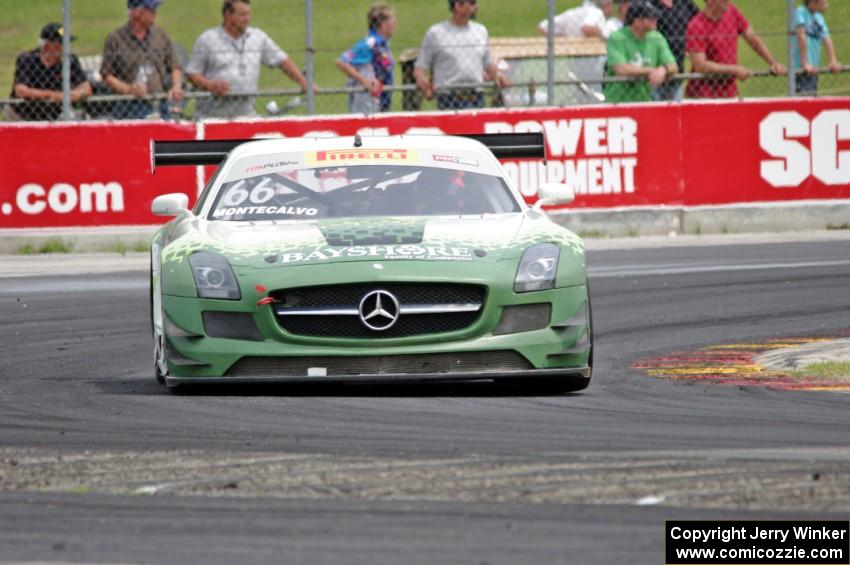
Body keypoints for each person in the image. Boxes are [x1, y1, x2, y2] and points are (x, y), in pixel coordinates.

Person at [186, 0, 314, 118]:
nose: (248, 19)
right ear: (227, 15)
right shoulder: (208, 39)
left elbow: (282, 60)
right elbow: (192, 73)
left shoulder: (257, 37)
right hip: (212, 115)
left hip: (246, 114)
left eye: (248, 14)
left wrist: (303, 82)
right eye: (242, 15)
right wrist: (210, 85)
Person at [413, 0, 508, 110]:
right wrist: (422, 82)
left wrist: (498, 75)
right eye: (472, 3)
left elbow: (488, 63)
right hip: (448, 98)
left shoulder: (481, 31)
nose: (477, 7)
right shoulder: (436, 33)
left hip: (477, 97)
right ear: (458, 5)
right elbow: (420, 67)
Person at [685, 0, 785, 99]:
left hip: (729, 92)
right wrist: (733, 70)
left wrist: (773, 63)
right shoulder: (696, 25)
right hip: (704, 94)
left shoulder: (732, 12)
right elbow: (701, 66)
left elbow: (752, 38)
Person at [101, 0, 184, 119]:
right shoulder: (116, 39)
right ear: (136, 12)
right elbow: (106, 75)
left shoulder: (160, 35)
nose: (155, 13)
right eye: (151, 10)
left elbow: (175, 66)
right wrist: (129, 89)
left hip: (159, 103)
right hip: (129, 106)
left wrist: (176, 86)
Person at [6, 22, 92, 121]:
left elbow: (86, 88)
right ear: (47, 45)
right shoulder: (27, 59)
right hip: (21, 115)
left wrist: (71, 95)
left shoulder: (70, 60)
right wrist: (53, 95)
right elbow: (21, 91)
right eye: (61, 43)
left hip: (53, 117)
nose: (66, 47)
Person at [604, 1, 677, 103]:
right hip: (617, 102)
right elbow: (621, 69)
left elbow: (673, 66)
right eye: (651, 18)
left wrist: (663, 69)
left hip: (644, 101)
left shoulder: (656, 37)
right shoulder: (617, 38)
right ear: (637, 21)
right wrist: (652, 71)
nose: (656, 20)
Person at [335, 4, 396, 115]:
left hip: (381, 101)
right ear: (383, 25)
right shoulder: (369, 43)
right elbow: (341, 61)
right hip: (367, 105)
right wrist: (365, 82)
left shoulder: (383, 44)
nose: (395, 24)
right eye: (392, 21)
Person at [649, 0, 698, 100]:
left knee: (674, 112)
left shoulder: (684, 3)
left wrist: (691, 45)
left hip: (676, 73)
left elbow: (699, 21)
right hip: (652, 73)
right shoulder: (649, 3)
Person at [792, 0, 842, 95]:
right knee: (804, 101)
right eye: (823, 3)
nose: (827, 5)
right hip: (802, 70)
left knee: (812, 98)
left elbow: (827, 39)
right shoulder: (800, 12)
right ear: (812, 2)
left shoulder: (819, 18)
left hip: (814, 69)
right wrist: (805, 63)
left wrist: (833, 61)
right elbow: (801, 36)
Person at [537, 0, 614, 39]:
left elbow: (543, 27)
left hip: (574, 66)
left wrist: (566, 39)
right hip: (595, 65)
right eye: (610, 4)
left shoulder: (571, 13)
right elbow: (586, 28)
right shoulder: (596, 12)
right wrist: (603, 36)